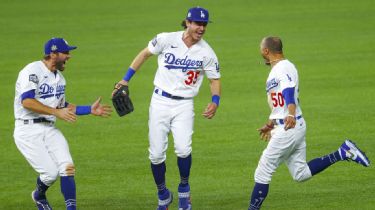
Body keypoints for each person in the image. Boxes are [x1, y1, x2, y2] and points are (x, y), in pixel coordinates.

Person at [113, 6, 221, 210]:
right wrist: (125, 80)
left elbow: (215, 80)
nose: (202, 28)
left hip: (184, 105)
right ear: (187, 22)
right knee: (155, 154)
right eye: (198, 23)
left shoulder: (207, 53)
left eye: (204, 24)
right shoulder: (166, 39)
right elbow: (144, 54)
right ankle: (163, 194)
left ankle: (184, 190)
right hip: (160, 102)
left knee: (183, 149)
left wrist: (215, 101)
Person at [248, 36, 370, 210]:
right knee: (300, 174)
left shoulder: (283, 68)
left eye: (261, 48)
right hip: (290, 125)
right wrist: (271, 122)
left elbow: (289, 92)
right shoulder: (279, 68)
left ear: (266, 51)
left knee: (263, 171)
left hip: (289, 127)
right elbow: (279, 102)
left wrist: (289, 114)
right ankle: (342, 152)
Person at [14, 37, 112, 210]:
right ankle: (39, 195)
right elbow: (27, 101)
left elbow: (62, 106)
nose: (69, 56)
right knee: (50, 174)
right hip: (27, 130)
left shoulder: (59, 78)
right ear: (53, 54)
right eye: (65, 52)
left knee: (67, 167)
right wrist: (56, 112)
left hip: (49, 128)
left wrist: (88, 109)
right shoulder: (32, 71)